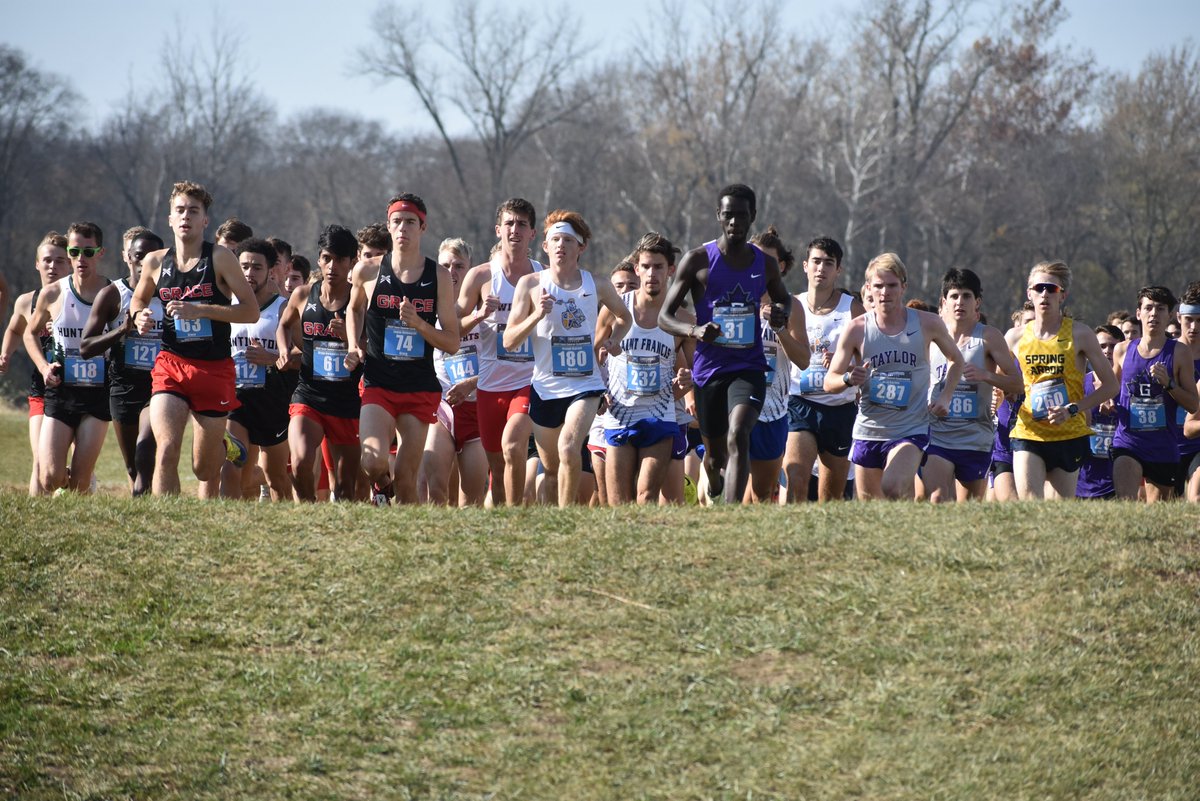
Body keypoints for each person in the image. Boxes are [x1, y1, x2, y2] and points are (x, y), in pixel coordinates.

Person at [658, 184, 792, 503]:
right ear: (719, 216)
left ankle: (730, 516)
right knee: (717, 454)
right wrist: (694, 331)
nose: (735, 223)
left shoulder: (765, 264)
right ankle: (713, 471)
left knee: (739, 434)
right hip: (709, 371)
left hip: (749, 368)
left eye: (742, 216)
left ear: (752, 218)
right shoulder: (698, 260)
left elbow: (784, 301)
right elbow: (665, 316)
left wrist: (779, 314)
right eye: (728, 215)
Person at [130, 181, 260, 497]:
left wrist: (200, 310)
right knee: (167, 448)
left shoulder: (220, 259)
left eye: (193, 211)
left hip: (213, 369)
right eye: (180, 211)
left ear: (205, 221)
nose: (186, 216)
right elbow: (138, 300)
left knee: (204, 469)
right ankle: (169, 526)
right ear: (170, 219)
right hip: (171, 364)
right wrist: (139, 316)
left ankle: (223, 442)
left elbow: (250, 312)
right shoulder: (155, 262)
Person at [505, 210, 632, 507]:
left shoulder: (596, 284)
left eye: (568, 240)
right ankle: (554, 523)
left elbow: (624, 317)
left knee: (568, 448)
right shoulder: (531, 285)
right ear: (546, 247)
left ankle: (566, 516)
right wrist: (537, 314)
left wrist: (613, 341)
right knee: (550, 470)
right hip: (545, 387)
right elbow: (510, 341)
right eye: (555, 240)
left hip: (584, 385)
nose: (561, 245)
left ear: (581, 247)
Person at [345, 193, 460, 505]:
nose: (403, 228)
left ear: (422, 228)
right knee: (372, 462)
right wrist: (355, 344)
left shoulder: (438, 276)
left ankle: (409, 541)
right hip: (379, 381)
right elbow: (354, 309)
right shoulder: (367, 271)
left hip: (418, 386)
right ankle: (382, 486)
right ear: (389, 226)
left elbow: (452, 341)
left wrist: (420, 324)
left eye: (411, 222)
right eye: (397, 221)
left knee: (408, 481)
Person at [824, 253, 965, 500]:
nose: (884, 292)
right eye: (878, 286)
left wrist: (946, 397)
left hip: (911, 428)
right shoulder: (857, 328)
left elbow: (957, 359)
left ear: (903, 287)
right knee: (872, 507)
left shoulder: (927, 323)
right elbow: (830, 381)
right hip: (869, 429)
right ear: (868, 288)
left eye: (891, 285)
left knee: (892, 488)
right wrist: (848, 379)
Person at [455, 198, 543, 506]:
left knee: (512, 446)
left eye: (522, 224)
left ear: (533, 233)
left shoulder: (544, 277)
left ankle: (515, 514)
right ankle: (505, 518)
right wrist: (478, 315)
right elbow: (453, 330)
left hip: (529, 379)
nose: (515, 230)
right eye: (509, 223)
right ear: (498, 230)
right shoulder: (480, 276)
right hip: (490, 384)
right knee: (497, 464)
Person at [1004, 261, 1117, 500]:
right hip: (1029, 431)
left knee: (1057, 512)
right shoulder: (1014, 337)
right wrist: (1002, 389)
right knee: (1031, 504)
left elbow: (1111, 386)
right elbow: (1003, 379)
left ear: (1062, 295)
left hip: (1069, 434)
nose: (1045, 293)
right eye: (1039, 288)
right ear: (1029, 293)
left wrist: (1073, 409)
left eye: (1051, 288)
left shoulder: (1080, 334)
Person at [595, 232, 688, 505]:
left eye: (658, 267)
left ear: (670, 270)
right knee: (617, 503)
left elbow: (695, 371)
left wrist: (687, 381)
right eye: (645, 267)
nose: (651, 274)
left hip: (659, 416)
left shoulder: (681, 318)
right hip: (619, 416)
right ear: (637, 268)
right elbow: (592, 355)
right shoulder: (615, 309)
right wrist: (597, 392)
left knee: (646, 497)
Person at [22, 222, 113, 494]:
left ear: (100, 253)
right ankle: (68, 479)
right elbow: (29, 334)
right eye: (74, 252)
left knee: (80, 484)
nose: (80, 259)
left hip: (97, 394)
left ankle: (82, 504)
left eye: (88, 251)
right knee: (49, 477)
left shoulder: (113, 293)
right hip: (62, 392)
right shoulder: (53, 293)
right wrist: (43, 366)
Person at [278, 224, 362, 502]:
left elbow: (373, 347)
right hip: (309, 394)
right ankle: (309, 512)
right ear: (319, 259)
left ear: (352, 262)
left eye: (340, 260)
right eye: (327, 258)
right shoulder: (303, 295)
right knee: (300, 461)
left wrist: (352, 339)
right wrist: (284, 350)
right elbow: (284, 325)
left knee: (345, 487)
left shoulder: (359, 300)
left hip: (348, 400)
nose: (332, 266)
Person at [921, 268, 1021, 502]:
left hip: (975, 438)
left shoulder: (988, 337)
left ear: (977, 302)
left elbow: (1018, 384)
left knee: (969, 508)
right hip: (937, 435)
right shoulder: (931, 338)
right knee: (936, 498)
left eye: (966, 296)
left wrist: (986, 375)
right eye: (954, 296)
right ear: (944, 302)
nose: (960, 302)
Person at [79, 228, 166, 496]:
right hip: (123, 387)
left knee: (145, 449)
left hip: (160, 386)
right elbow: (85, 347)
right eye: (139, 255)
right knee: (133, 467)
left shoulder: (171, 295)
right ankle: (144, 512)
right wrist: (121, 331)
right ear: (128, 257)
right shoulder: (113, 294)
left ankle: (148, 505)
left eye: (153, 256)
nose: (145, 262)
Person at [781, 236, 863, 502]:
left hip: (839, 407)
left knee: (832, 495)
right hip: (800, 402)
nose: (821, 269)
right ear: (805, 266)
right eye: (816, 261)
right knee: (796, 476)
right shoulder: (793, 304)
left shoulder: (852, 309)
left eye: (829, 263)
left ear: (838, 270)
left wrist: (847, 366)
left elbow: (867, 362)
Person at [1109, 285, 1198, 502]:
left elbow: (1193, 405)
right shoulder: (1122, 350)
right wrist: (1108, 401)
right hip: (1128, 441)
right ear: (1139, 313)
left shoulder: (1179, 352)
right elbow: (1111, 388)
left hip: (1163, 446)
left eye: (1160, 309)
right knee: (1126, 503)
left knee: (1155, 512)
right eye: (1148, 308)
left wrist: (1169, 384)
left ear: (1169, 315)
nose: (1153, 314)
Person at [420, 237, 488, 506]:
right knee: (436, 489)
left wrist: (472, 382)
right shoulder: (429, 307)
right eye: (446, 265)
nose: (452, 272)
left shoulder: (486, 310)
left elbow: (503, 364)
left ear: (470, 270)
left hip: (477, 409)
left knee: (471, 499)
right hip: (441, 408)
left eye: (459, 266)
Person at [221, 238, 291, 500]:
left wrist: (271, 357)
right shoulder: (227, 307)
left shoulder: (282, 308)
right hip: (236, 401)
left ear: (271, 270)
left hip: (272, 401)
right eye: (245, 267)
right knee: (231, 467)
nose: (250, 273)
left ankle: (283, 530)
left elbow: (302, 353)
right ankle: (230, 530)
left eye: (257, 267)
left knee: (276, 478)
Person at [0, 232, 70, 494]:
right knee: (40, 459)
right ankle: (38, 514)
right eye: (48, 260)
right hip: (42, 387)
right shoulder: (26, 301)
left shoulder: (81, 299)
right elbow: (15, 329)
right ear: (37, 264)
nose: (53, 267)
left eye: (60, 261)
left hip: (80, 386)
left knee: (75, 464)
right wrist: (6, 353)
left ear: (71, 264)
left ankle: (79, 486)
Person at [744, 227, 809, 503]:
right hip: (736, 402)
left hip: (773, 411)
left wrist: (780, 329)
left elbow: (804, 361)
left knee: (760, 491)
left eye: (768, 261)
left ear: (780, 266)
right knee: (730, 484)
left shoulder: (792, 306)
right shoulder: (735, 300)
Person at [1076, 325, 1123, 499]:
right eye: (1102, 346)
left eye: (1112, 346)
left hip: (1117, 479)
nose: (1107, 351)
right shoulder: (1080, 383)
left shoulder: (1129, 386)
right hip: (1082, 478)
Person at [1175, 282, 1200, 502]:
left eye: (1199, 320)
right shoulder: (1165, 354)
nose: (1193, 327)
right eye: (1188, 320)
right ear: (1178, 318)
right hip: (1167, 444)